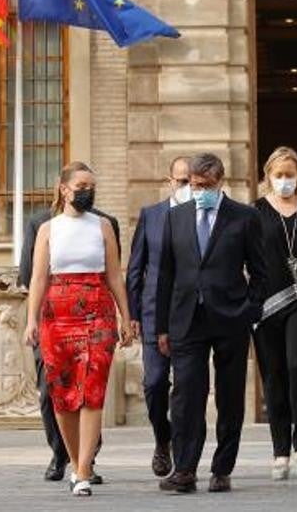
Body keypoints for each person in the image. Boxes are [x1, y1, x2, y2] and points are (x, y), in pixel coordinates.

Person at [156, 153, 267, 494]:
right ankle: (185, 470)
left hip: (230, 318)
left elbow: (261, 272)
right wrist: (161, 326)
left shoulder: (245, 217)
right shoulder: (176, 217)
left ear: (220, 182)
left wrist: (249, 310)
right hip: (186, 319)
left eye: (205, 185)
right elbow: (165, 275)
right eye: (193, 184)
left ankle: (222, 468)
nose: (198, 190)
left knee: (230, 395)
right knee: (186, 393)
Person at [23, 161, 135, 497]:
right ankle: (75, 463)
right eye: (81, 185)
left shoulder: (102, 226)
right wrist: (30, 320)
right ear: (64, 188)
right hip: (56, 314)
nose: (87, 191)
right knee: (62, 396)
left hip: (97, 313)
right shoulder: (48, 229)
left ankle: (84, 470)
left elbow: (115, 275)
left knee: (92, 392)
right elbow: (38, 278)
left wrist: (125, 317)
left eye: (91, 186)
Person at [252, 147, 297, 481]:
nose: (284, 181)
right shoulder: (255, 212)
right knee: (274, 375)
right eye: (278, 175)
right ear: (268, 177)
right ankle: (281, 450)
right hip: (265, 306)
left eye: (289, 175)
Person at [125, 155, 190, 479]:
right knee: (153, 384)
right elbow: (135, 268)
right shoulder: (152, 215)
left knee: (186, 387)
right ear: (169, 181)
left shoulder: (201, 216)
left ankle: (181, 444)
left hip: (189, 315)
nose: (186, 186)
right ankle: (162, 439)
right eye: (180, 181)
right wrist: (132, 313)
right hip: (153, 314)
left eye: (191, 181)